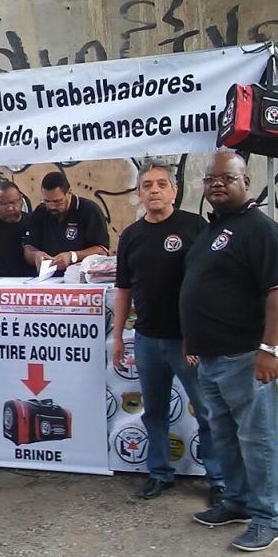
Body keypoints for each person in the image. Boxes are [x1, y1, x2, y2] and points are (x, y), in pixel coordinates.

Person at [181, 151, 278, 552]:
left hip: (245, 356)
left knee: (257, 440)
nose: (216, 184)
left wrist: (269, 348)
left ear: (246, 181)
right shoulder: (214, 229)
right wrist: (192, 336)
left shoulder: (261, 230)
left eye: (226, 178)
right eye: (210, 179)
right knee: (225, 436)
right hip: (211, 358)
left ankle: (269, 518)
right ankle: (239, 502)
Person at [113, 161, 224, 503]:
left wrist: (200, 335)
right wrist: (117, 337)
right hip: (146, 339)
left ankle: (218, 479)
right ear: (139, 193)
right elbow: (123, 289)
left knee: (206, 411)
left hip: (187, 341)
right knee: (155, 412)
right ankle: (160, 473)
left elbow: (210, 285)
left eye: (162, 184)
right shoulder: (130, 237)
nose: (155, 190)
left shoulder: (195, 227)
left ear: (175, 191)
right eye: (147, 185)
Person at [24, 171, 109, 275]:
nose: (52, 206)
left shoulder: (89, 210)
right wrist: (35, 255)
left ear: (69, 193)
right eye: (47, 201)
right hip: (48, 278)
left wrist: (72, 256)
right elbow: (28, 247)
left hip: (82, 277)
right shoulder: (40, 212)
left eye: (57, 201)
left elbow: (102, 250)